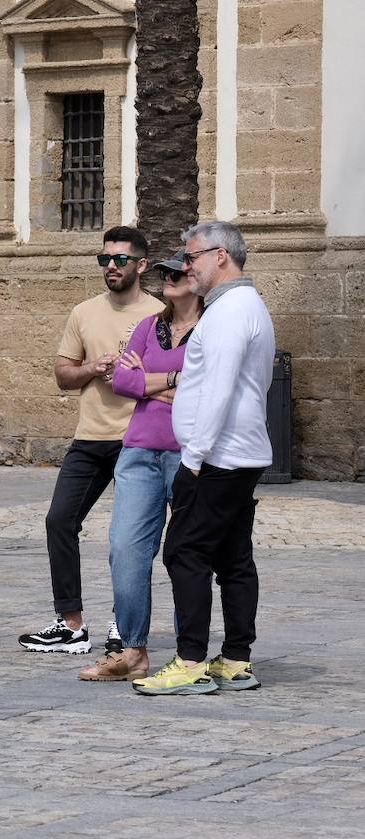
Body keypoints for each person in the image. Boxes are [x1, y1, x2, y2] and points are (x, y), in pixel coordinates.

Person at [134, 221, 274, 696]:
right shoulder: (240, 306)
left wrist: (193, 457)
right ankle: (234, 659)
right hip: (234, 452)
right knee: (233, 556)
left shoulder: (231, 312)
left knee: (185, 551)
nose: (185, 265)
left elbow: (219, 388)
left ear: (221, 256)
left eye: (191, 257)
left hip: (217, 457)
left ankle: (190, 661)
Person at [19, 226, 163, 654]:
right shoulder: (83, 312)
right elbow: (63, 375)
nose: (111, 266)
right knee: (59, 521)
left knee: (129, 537)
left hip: (138, 439)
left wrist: (133, 376)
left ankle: (124, 624)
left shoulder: (160, 314)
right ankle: (71, 623)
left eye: (120, 259)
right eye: (104, 259)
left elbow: (173, 375)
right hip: (90, 438)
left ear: (141, 265)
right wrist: (92, 369)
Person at [80, 251, 203, 682]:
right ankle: (132, 650)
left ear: (197, 280)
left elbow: (204, 387)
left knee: (188, 555)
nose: (167, 278)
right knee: (125, 549)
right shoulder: (149, 327)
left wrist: (147, 382)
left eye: (176, 273)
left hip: (189, 456)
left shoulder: (211, 328)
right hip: (138, 453)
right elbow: (122, 380)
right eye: (164, 272)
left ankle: (192, 654)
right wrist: (171, 382)